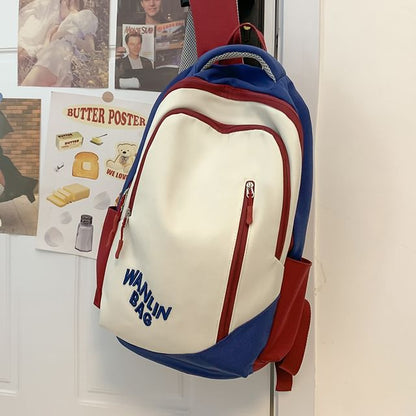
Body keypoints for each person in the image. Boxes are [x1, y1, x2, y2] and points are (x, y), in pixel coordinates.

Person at [21, 0, 98, 87]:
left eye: (59, 5)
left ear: (68, 2)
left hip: (62, 56)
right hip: (50, 60)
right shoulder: (60, 26)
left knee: (28, 88)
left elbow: (90, 48)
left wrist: (66, 35)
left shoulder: (85, 15)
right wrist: (48, 36)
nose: (58, 10)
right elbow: (42, 55)